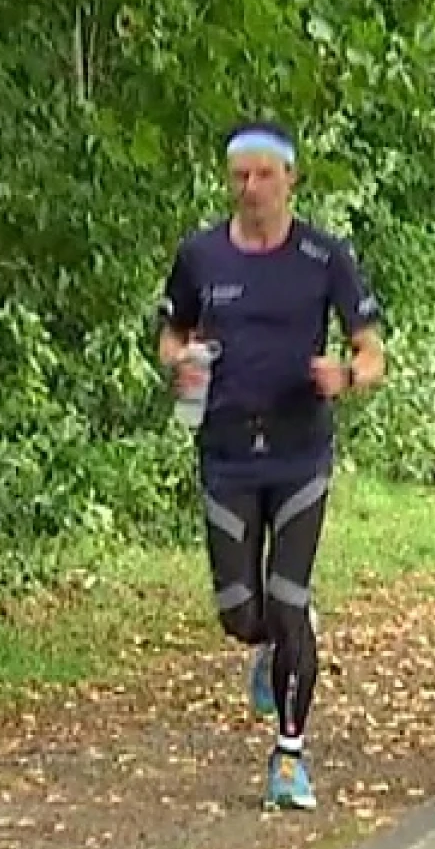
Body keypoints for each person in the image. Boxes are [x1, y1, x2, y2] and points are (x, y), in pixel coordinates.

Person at [155, 118, 387, 809]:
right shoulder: (200, 256)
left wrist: (345, 376)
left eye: (263, 175)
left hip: (299, 451)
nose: (250, 188)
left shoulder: (325, 256)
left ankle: (289, 757)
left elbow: (371, 349)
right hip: (226, 451)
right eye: (239, 177)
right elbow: (171, 333)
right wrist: (182, 360)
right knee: (240, 615)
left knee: (287, 599)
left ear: (290, 177)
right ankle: (275, 640)